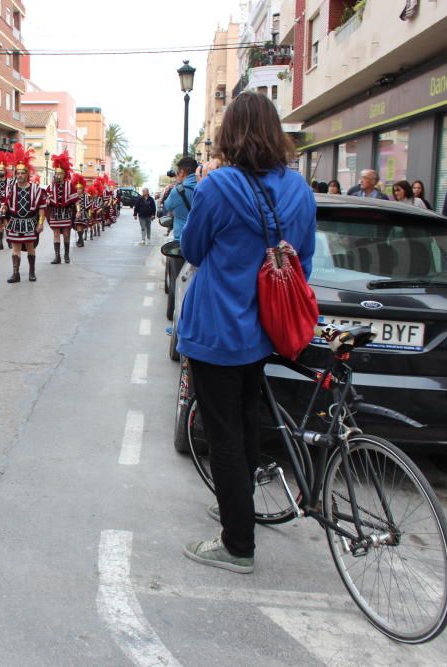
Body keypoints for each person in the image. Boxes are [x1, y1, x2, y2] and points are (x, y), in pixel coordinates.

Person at [178, 92, 316, 574]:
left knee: (224, 435)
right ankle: (241, 507)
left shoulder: (218, 187)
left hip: (218, 325)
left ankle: (237, 544)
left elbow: (193, 249)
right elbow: (306, 259)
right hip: (264, 327)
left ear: (230, 134)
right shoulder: (300, 189)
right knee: (247, 421)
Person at [0, 143, 46, 283]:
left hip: (30, 222)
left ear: (27, 174)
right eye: (17, 173)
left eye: (22, 173)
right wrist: (3, 209)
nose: (19, 175)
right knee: (16, 248)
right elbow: (5, 205)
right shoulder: (9, 189)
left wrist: (41, 223)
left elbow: (41, 208)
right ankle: (16, 273)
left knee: (31, 247)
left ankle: (32, 272)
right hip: (14, 222)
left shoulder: (36, 189)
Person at [164, 155, 198, 303]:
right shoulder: (206, 186)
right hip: (201, 244)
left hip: (181, 243)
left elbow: (166, 207)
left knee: (177, 282)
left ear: (182, 173)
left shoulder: (177, 191)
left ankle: (176, 315)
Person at [45, 150, 79, 264]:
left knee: (66, 234)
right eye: (56, 173)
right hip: (55, 213)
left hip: (66, 213)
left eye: (59, 173)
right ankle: (57, 256)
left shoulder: (70, 186)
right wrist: (47, 201)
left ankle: (66, 255)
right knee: (55, 234)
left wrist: (78, 211)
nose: (57, 175)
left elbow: (76, 200)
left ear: (64, 174)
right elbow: (47, 198)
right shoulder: (51, 186)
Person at [71, 174, 90, 246]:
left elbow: (88, 205)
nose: (78, 190)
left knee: (81, 227)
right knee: (78, 227)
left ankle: (80, 240)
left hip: (83, 213)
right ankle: (81, 240)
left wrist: (86, 210)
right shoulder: (74, 196)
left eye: (80, 189)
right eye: (77, 189)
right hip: (76, 214)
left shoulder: (85, 196)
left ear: (82, 189)